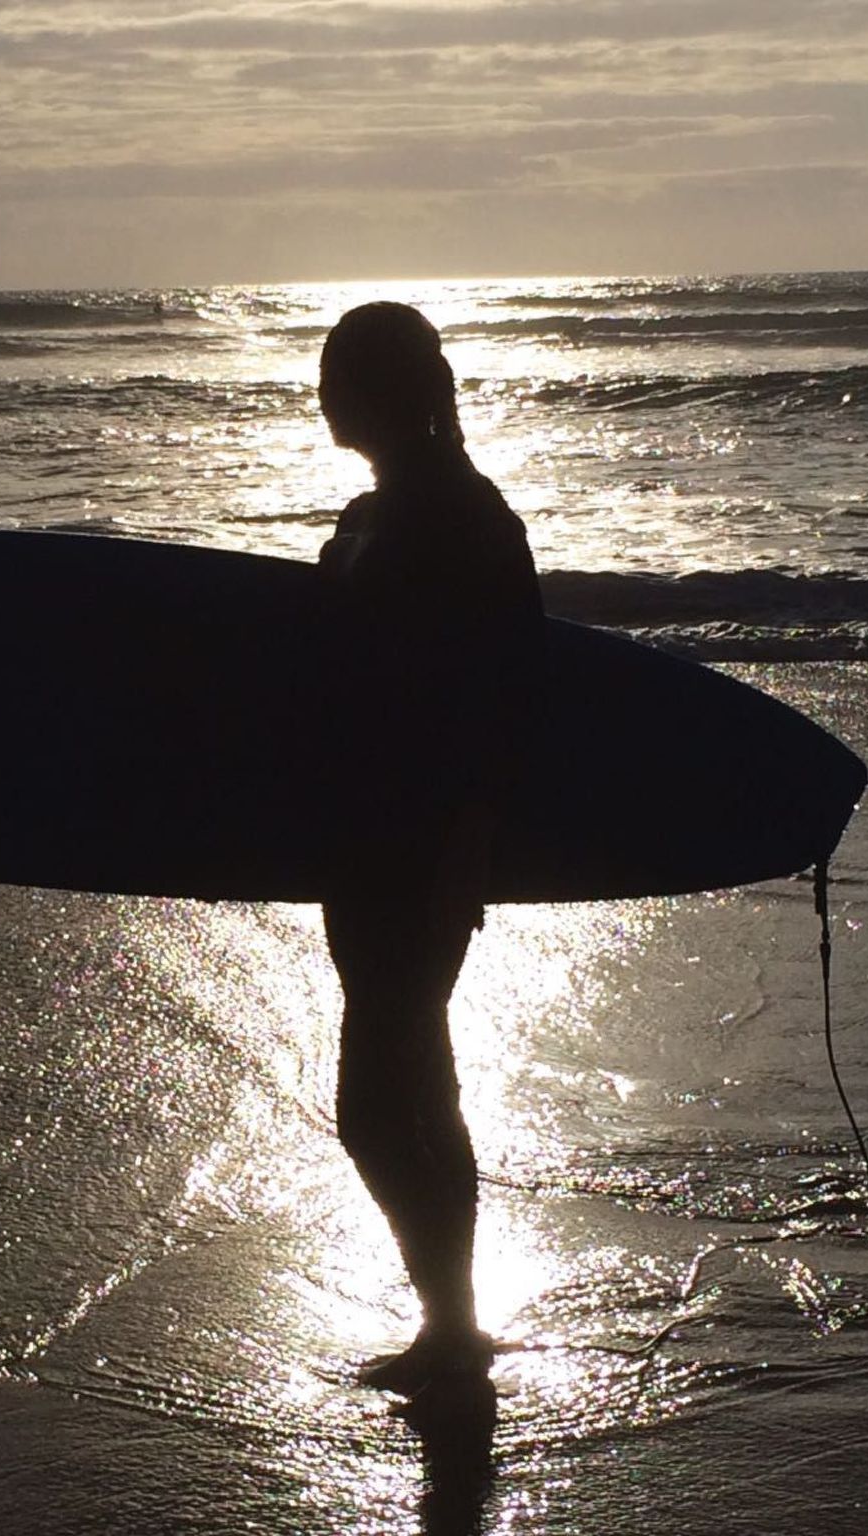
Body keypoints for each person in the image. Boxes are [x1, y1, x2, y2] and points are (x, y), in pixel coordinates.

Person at [314, 303, 543, 1399]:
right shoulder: (396, 504)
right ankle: (449, 1329)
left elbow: (506, 691)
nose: (321, 396)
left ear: (381, 390)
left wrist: (474, 838)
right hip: (364, 834)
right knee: (412, 1077)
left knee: (379, 1101)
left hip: (419, 841)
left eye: (336, 375)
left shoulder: (458, 514)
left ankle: (452, 1327)